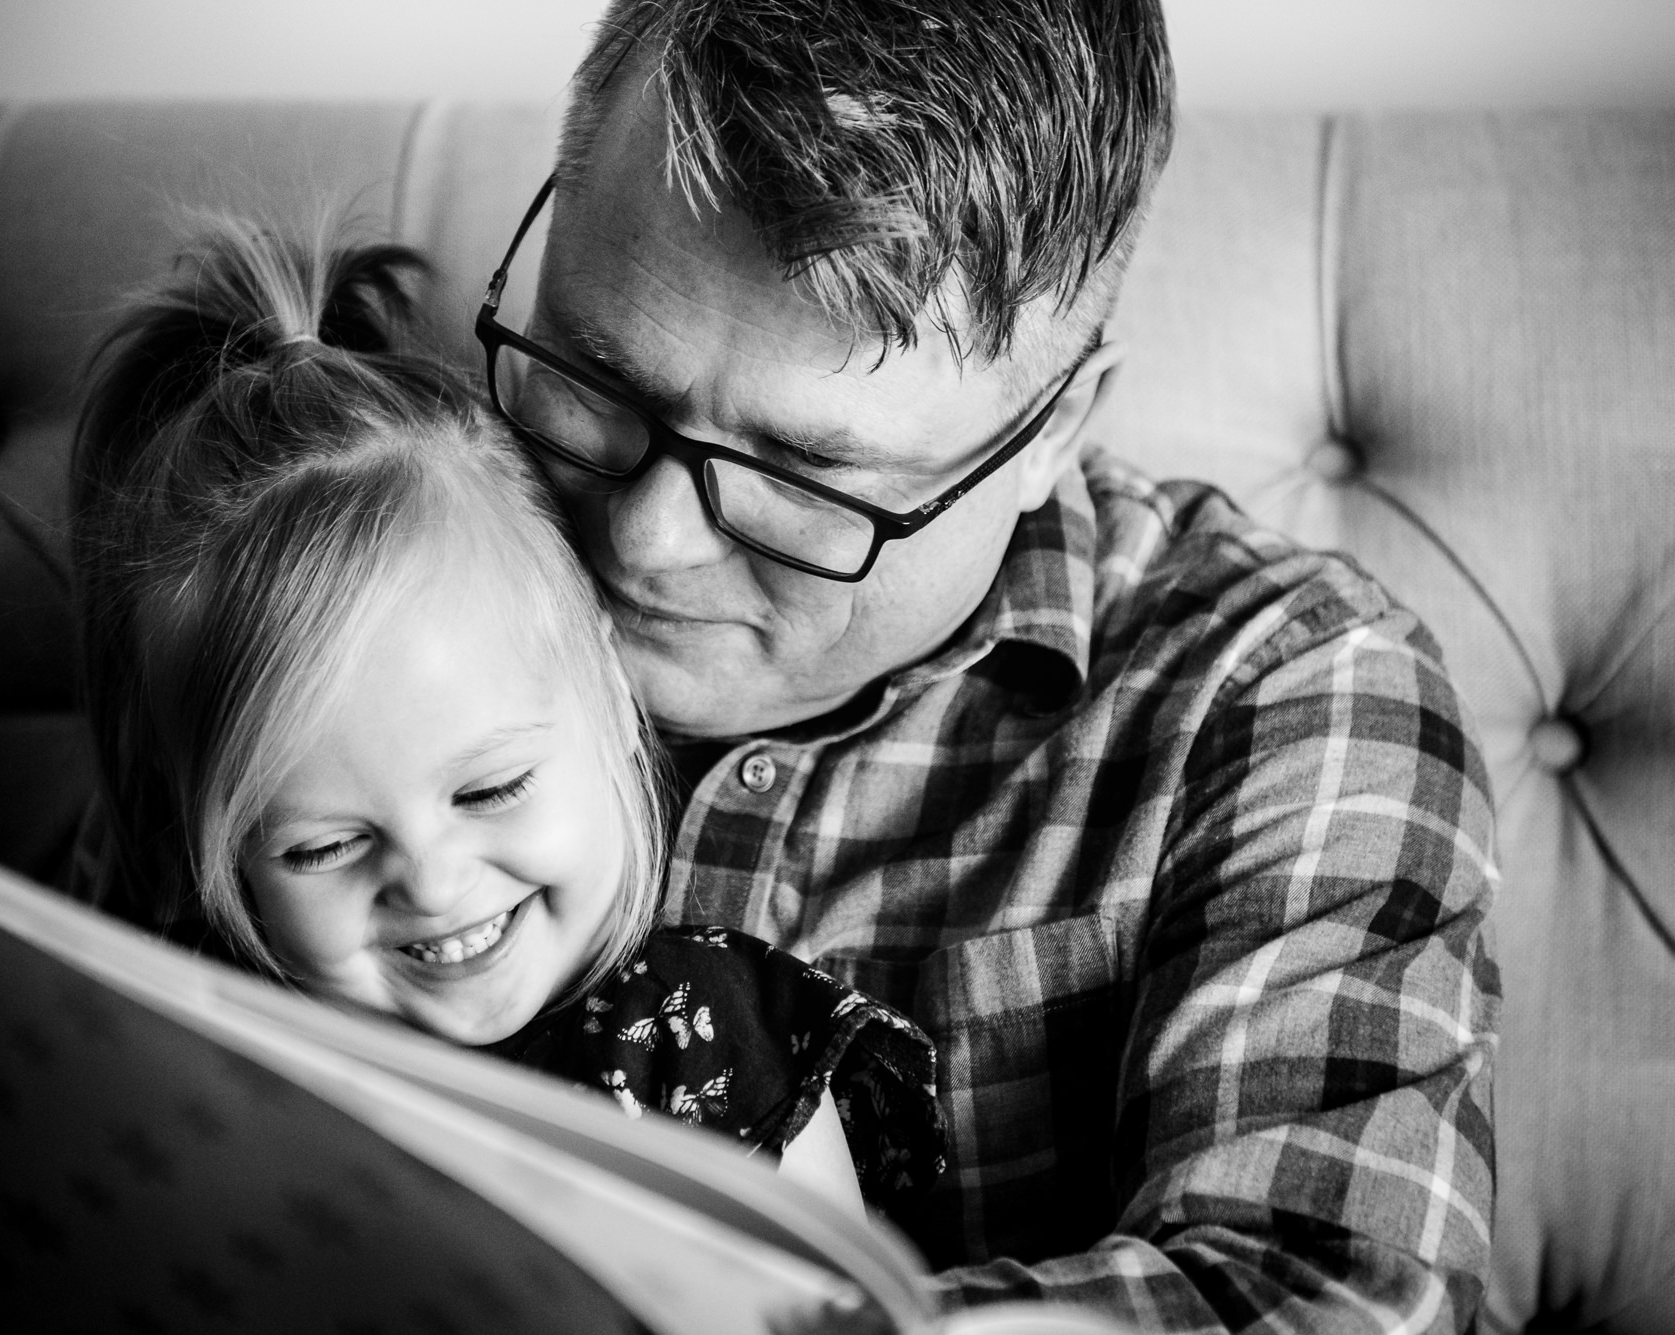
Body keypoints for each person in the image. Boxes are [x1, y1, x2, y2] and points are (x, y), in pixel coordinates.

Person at [473, 1, 1501, 1331]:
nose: (647, 540)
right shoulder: (350, 522)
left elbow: (1325, 1299)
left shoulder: (1279, 687)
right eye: (593, 378)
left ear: (1050, 430)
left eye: (802, 479)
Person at [63, 215, 945, 1226]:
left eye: (490, 788)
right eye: (323, 846)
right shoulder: (204, 1036)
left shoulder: (693, 1032)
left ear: (617, 704)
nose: (432, 883)